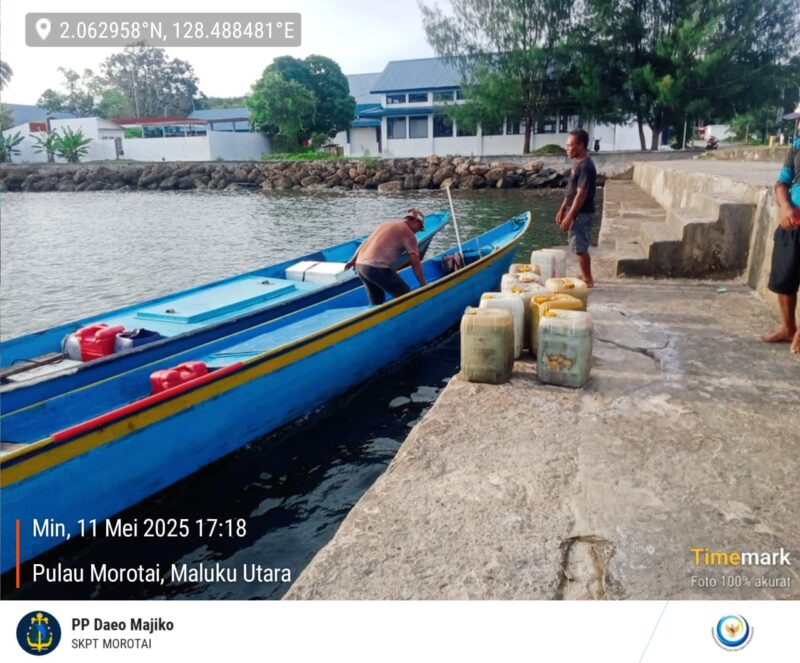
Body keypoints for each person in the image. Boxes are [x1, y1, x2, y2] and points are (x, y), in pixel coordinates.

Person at [762, 140, 800, 354]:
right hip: (792, 224)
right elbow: (781, 183)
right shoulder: (797, 146)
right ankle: (788, 328)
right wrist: (785, 207)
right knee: (784, 280)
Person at [345, 208, 427, 305]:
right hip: (376, 268)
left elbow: (365, 242)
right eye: (419, 227)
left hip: (360, 266)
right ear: (415, 221)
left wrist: (352, 260)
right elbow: (415, 263)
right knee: (406, 296)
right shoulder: (409, 234)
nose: (418, 231)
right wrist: (423, 284)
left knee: (377, 303)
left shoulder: (385, 224)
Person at [556, 128, 597, 287]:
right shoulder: (578, 165)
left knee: (580, 247)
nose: (567, 148)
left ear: (581, 145)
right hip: (574, 212)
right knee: (577, 244)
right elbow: (571, 191)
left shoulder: (586, 166)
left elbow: (581, 195)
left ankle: (588, 278)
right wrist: (562, 209)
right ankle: (585, 274)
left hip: (581, 213)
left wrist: (570, 216)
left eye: (570, 145)